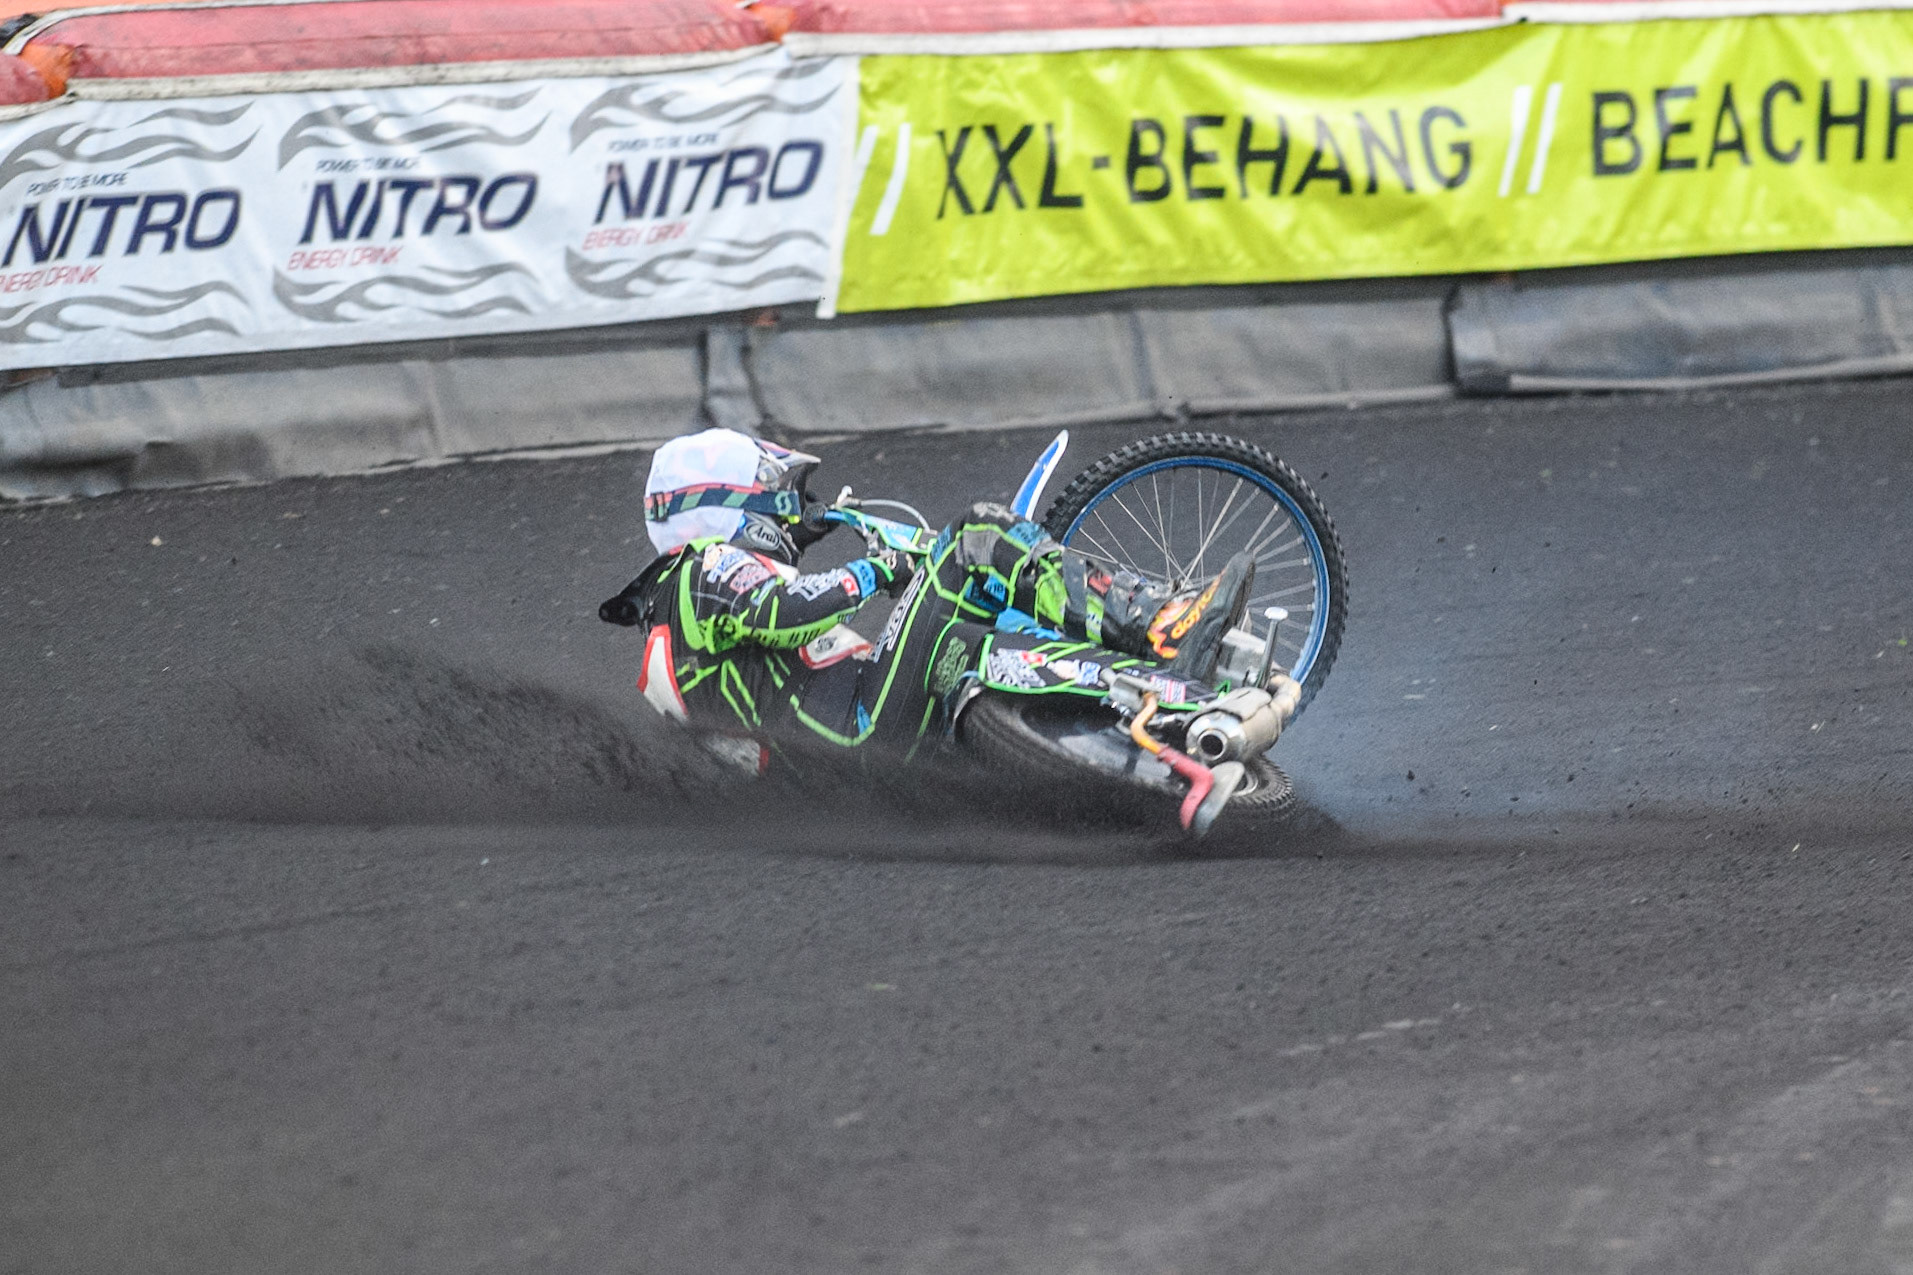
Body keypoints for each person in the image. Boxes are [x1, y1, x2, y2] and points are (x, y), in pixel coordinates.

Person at [598, 428, 1256, 757]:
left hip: (846, 770)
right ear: (726, 505)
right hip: (859, 729)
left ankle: (1156, 702)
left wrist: (891, 570)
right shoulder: (702, 567)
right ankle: (1162, 626)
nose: (793, 511)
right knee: (974, 535)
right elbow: (785, 611)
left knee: (970, 639)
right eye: (784, 498)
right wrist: (876, 570)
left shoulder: (672, 616)